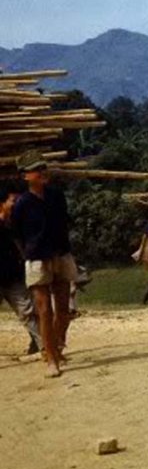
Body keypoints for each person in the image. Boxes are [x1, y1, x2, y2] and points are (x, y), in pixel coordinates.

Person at [11, 150, 77, 378]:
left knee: (64, 310)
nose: (42, 173)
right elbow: (17, 234)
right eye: (36, 170)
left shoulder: (57, 196)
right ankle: (50, 357)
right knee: (44, 311)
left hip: (61, 254)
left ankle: (56, 346)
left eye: (43, 168)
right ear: (25, 176)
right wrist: (28, 255)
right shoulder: (22, 204)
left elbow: (64, 223)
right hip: (37, 259)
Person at [0, 180, 42, 357]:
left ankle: (45, 347)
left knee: (28, 312)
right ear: (2, 203)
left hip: (11, 277)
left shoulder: (14, 225)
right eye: (13, 201)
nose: (16, 204)